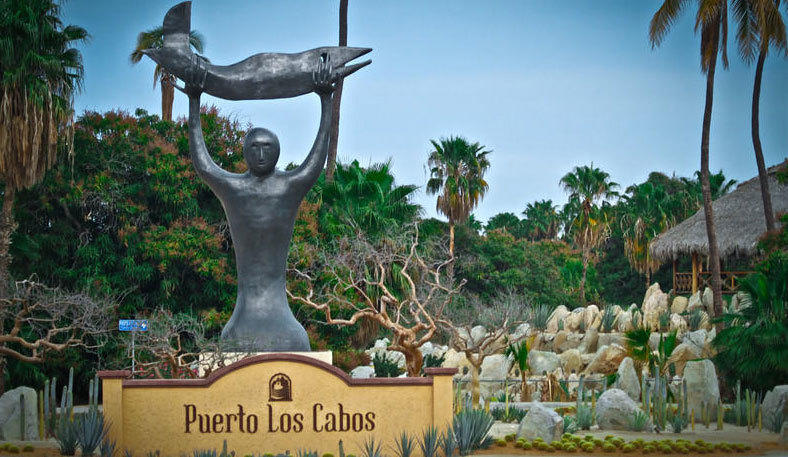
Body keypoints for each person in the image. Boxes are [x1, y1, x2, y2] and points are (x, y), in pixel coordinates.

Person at [176, 55, 336, 351]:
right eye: (255, 147)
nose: (261, 154)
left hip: (283, 323)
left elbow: (317, 158)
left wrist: (327, 99)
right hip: (242, 322)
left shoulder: (288, 187)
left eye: (267, 148)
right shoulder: (234, 189)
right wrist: (194, 102)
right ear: (245, 152)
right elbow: (202, 162)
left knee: (291, 340)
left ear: (278, 151)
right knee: (241, 339)